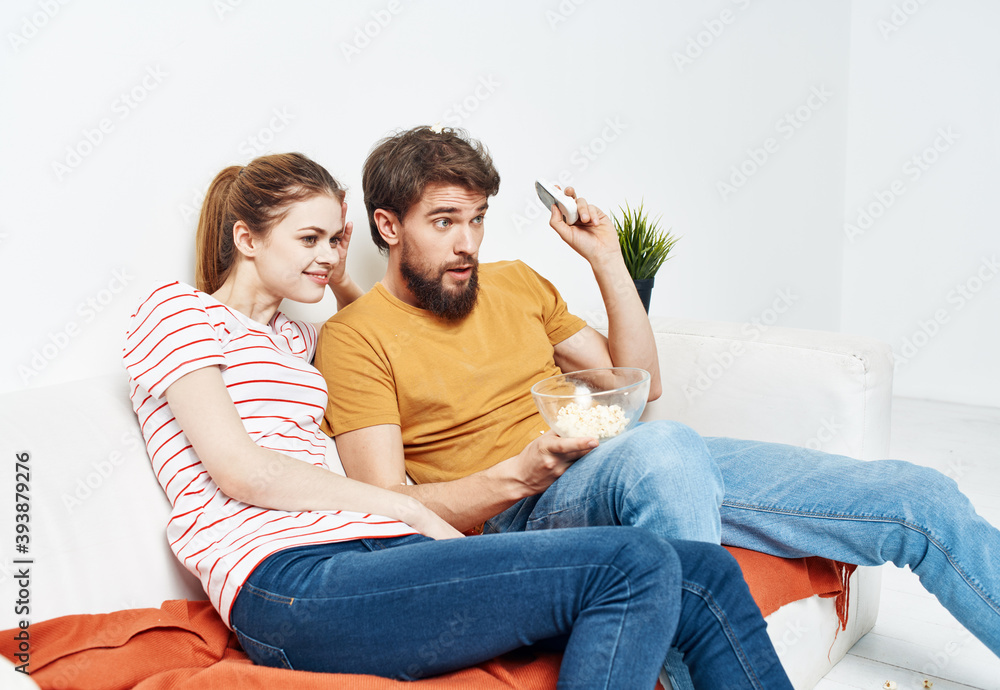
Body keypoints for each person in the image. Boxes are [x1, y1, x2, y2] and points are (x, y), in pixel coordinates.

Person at [315, 125, 1000, 682]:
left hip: (630, 461)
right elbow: (389, 505)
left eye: (477, 219)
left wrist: (606, 259)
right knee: (664, 446)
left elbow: (640, 379)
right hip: (524, 507)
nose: (467, 242)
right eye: (443, 221)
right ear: (389, 225)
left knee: (917, 496)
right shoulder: (355, 339)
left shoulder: (516, 282)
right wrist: (522, 471)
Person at [122, 152, 794, 688]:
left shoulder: (297, 341)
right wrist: (408, 510)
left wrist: (339, 274)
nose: (327, 256)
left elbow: (362, 323)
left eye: (336, 238)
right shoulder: (179, 311)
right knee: (636, 563)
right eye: (308, 238)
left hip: (382, 558)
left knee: (704, 572)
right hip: (290, 582)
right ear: (246, 237)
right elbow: (247, 471)